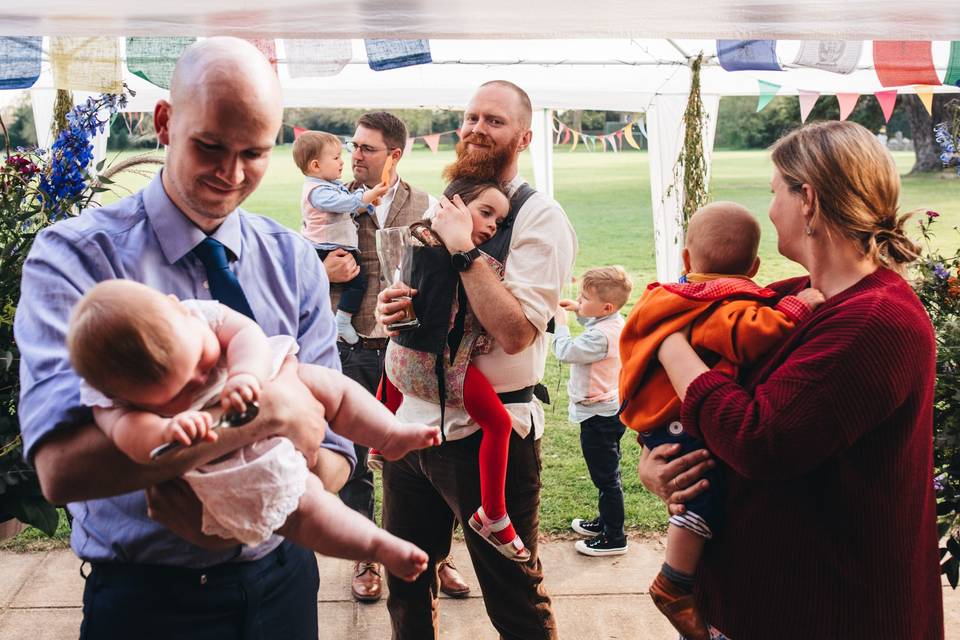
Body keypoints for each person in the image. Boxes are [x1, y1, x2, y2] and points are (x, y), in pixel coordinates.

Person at [15, 37, 359, 640]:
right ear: (165, 123)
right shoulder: (76, 258)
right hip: (150, 601)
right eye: (210, 147)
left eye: (253, 153)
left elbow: (335, 454)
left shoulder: (294, 261)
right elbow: (60, 470)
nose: (231, 174)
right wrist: (272, 413)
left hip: (285, 582)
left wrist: (262, 504)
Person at [638, 121, 943, 639]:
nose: (771, 207)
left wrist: (666, 341)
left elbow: (759, 440)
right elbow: (724, 410)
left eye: (775, 191)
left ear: (809, 200)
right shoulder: (794, 296)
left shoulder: (874, 321)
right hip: (774, 599)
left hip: (831, 608)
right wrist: (663, 467)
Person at [376, 80, 577, 640]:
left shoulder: (540, 217)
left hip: (488, 435)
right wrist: (390, 306)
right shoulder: (447, 203)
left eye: (494, 120)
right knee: (407, 581)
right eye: (470, 117)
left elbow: (515, 333)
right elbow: (405, 297)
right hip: (412, 426)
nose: (476, 129)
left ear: (524, 136)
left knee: (513, 596)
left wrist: (466, 249)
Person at [67, 280, 438, 581]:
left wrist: (245, 373)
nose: (201, 378)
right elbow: (127, 433)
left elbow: (244, 332)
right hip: (230, 466)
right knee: (305, 509)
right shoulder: (108, 393)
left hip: (262, 380)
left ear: (178, 308)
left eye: (201, 358)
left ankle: (389, 435)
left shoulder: (193, 313)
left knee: (327, 385)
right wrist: (167, 430)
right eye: (179, 390)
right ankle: (375, 546)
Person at [618, 202, 823, 640]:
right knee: (699, 494)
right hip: (677, 420)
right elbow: (745, 336)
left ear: (687, 260)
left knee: (695, 486)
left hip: (659, 420)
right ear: (753, 267)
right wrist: (796, 310)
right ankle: (675, 579)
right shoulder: (720, 304)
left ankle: (679, 579)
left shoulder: (670, 297)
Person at [321, 112, 469, 602]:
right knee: (358, 457)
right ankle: (366, 555)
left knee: (428, 455)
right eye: (354, 146)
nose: (355, 155)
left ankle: (435, 555)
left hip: (414, 352)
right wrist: (323, 270)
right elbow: (302, 262)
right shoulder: (332, 202)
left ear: (395, 155)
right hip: (356, 347)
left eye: (366, 148)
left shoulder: (427, 204)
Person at [375, 177, 531, 562]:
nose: (493, 225)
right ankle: (492, 513)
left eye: (500, 220)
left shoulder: (415, 242)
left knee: (391, 366)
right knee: (498, 423)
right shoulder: (468, 259)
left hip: (399, 362)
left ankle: (380, 441)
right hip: (442, 366)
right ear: (452, 208)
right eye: (485, 212)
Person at [552, 266, 633, 557]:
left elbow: (566, 352)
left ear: (606, 307)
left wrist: (561, 323)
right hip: (609, 411)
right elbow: (593, 321)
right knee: (608, 472)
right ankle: (607, 522)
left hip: (598, 416)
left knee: (606, 478)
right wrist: (578, 309)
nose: (580, 301)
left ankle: (614, 537)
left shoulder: (599, 337)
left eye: (584, 297)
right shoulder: (614, 322)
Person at [294, 130, 388, 345]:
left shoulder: (329, 187)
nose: (343, 162)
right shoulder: (317, 191)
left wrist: (367, 205)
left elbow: (349, 210)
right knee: (352, 283)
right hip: (323, 248)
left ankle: (338, 321)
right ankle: (339, 322)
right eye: (336, 158)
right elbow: (344, 204)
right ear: (316, 166)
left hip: (333, 246)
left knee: (356, 282)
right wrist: (366, 196)